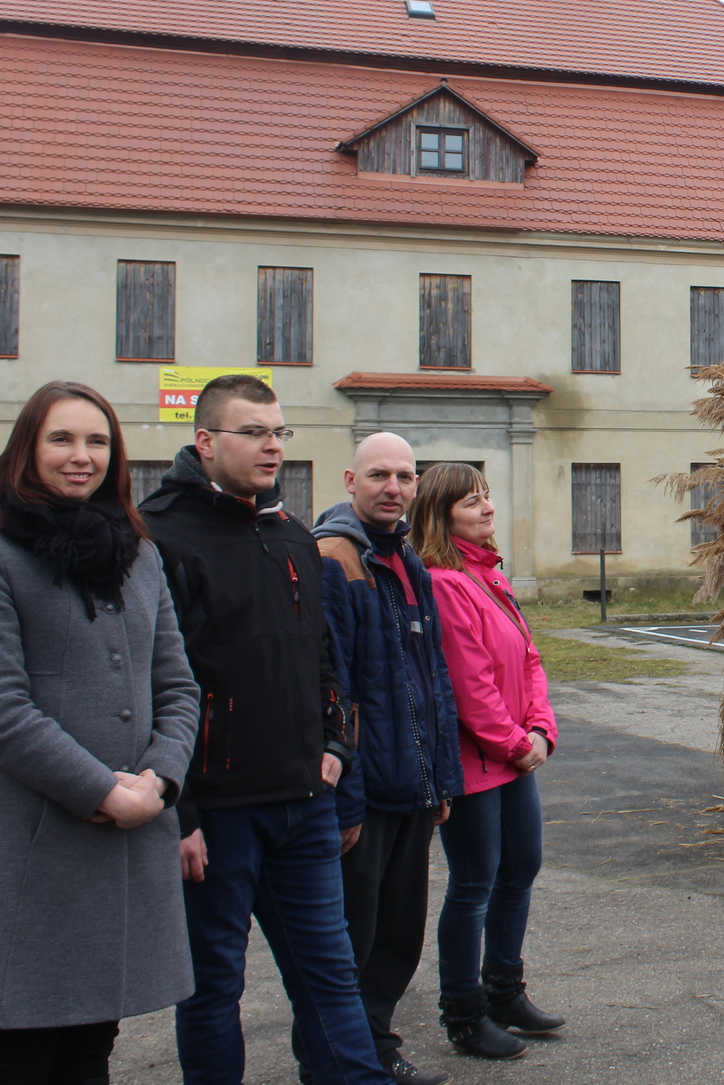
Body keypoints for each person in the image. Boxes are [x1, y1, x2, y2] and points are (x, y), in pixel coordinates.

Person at [137, 373, 393, 1085]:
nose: (272, 446)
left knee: (330, 975)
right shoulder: (158, 537)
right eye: (254, 432)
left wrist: (337, 751)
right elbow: (157, 684)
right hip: (214, 814)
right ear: (207, 440)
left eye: (279, 431)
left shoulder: (290, 535)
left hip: (303, 806)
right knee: (214, 989)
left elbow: (323, 661)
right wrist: (177, 810)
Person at [0, 380, 199, 1085]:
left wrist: (160, 778)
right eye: (61, 438)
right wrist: (101, 791)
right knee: (27, 1048)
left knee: (93, 1043)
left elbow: (177, 684)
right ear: (27, 448)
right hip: (40, 842)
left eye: (96, 441)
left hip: (132, 834)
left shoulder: (137, 554)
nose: (80, 456)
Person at [306, 434, 464, 1085]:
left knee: (398, 935)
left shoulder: (409, 563)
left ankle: (376, 1045)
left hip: (415, 787)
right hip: (365, 795)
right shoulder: (334, 558)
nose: (392, 487)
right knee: (350, 940)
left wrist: (442, 781)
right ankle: (336, 1061)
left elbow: (433, 680)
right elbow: (331, 687)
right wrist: (345, 801)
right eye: (379, 475)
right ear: (350, 480)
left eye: (404, 476)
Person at [409, 464, 564, 1060]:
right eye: (472, 502)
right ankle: (464, 1011)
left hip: (516, 753)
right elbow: (469, 684)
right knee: (473, 885)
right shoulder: (446, 581)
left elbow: (528, 659)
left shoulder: (489, 575)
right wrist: (514, 742)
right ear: (442, 513)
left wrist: (542, 729)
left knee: (521, 867)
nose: (487, 509)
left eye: (487, 498)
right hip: (479, 762)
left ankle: (505, 989)